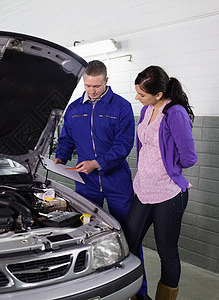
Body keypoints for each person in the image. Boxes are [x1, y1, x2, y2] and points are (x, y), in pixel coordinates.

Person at [54, 60, 150, 298]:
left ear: (106, 81)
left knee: (129, 237)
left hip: (116, 183)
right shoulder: (74, 109)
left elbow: (123, 145)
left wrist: (98, 163)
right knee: (87, 238)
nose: (92, 90)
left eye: (96, 86)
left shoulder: (122, 107)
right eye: (87, 86)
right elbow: (66, 140)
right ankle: (92, 288)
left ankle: (140, 292)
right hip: (86, 186)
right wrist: (59, 159)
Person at [125, 66, 197, 300]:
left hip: (168, 194)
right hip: (143, 190)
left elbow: (188, 158)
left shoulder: (174, 113)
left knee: (167, 252)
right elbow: (144, 147)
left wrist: (167, 165)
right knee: (129, 243)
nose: (137, 98)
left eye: (142, 94)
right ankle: (138, 294)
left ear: (158, 94)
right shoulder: (147, 110)